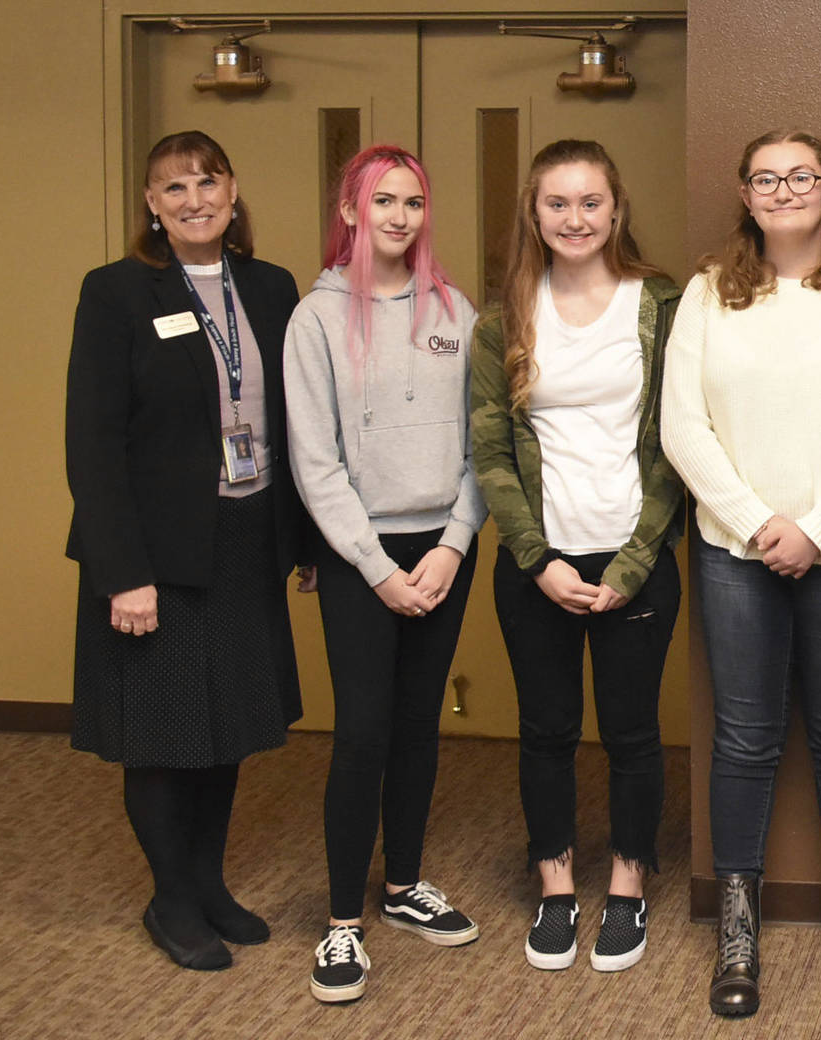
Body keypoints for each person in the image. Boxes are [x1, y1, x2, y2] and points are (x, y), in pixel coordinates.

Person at [661, 129, 821, 1017]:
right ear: (746, 194)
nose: (783, 189)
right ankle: (738, 927)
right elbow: (682, 429)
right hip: (738, 554)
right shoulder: (706, 295)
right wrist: (762, 524)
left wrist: (818, 529)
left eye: (800, 176)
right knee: (744, 739)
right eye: (766, 178)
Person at [65, 130, 313, 971]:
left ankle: (207, 884)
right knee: (165, 733)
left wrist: (304, 539)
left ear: (234, 191)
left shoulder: (272, 287)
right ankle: (170, 898)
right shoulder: (117, 294)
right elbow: (91, 445)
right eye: (174, 187)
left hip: (246, 540)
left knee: (227, 726)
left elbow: (302, 419)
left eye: (208, 182)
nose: (194, 199)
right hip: (156, 555)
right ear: (151, 204)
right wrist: (121, 573)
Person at [470, 139, 686, 975]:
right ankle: (555, 888)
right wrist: (537, 560)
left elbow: (676, 445)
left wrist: (631, 566)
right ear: (534, 213)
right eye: (557, 204)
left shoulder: (661, 304)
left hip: (634, 557)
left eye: (590, 201)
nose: (575, 218)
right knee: (547, 732)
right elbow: (490, 451)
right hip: (539, 564)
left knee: (633, 734)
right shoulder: (503, 320)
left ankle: (627, 889)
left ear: (616, 208)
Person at [284, 144, 486, 1003]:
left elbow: (486, 442)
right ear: (351, 212)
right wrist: (375, 566)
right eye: (383, 202)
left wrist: (452, 544)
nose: (400, 217)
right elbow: (314, 462)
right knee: (363, 731)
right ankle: (341, 925)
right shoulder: (317, 320)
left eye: (414, 202)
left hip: (441, 549)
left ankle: (402, 887)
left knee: (417, 724)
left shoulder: (455, 309)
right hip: (357, 556)